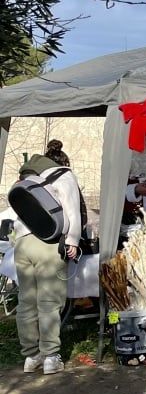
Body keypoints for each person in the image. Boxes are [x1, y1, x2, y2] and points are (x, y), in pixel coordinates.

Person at [13, 140, 82, 375]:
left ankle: (31, 356)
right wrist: (73, 239)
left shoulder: (25, 178)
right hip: (48, 242)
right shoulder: (63, 175)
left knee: (26, 301)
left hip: (22, 243)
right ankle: (51, 356)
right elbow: (72, 209)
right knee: (49, 302)